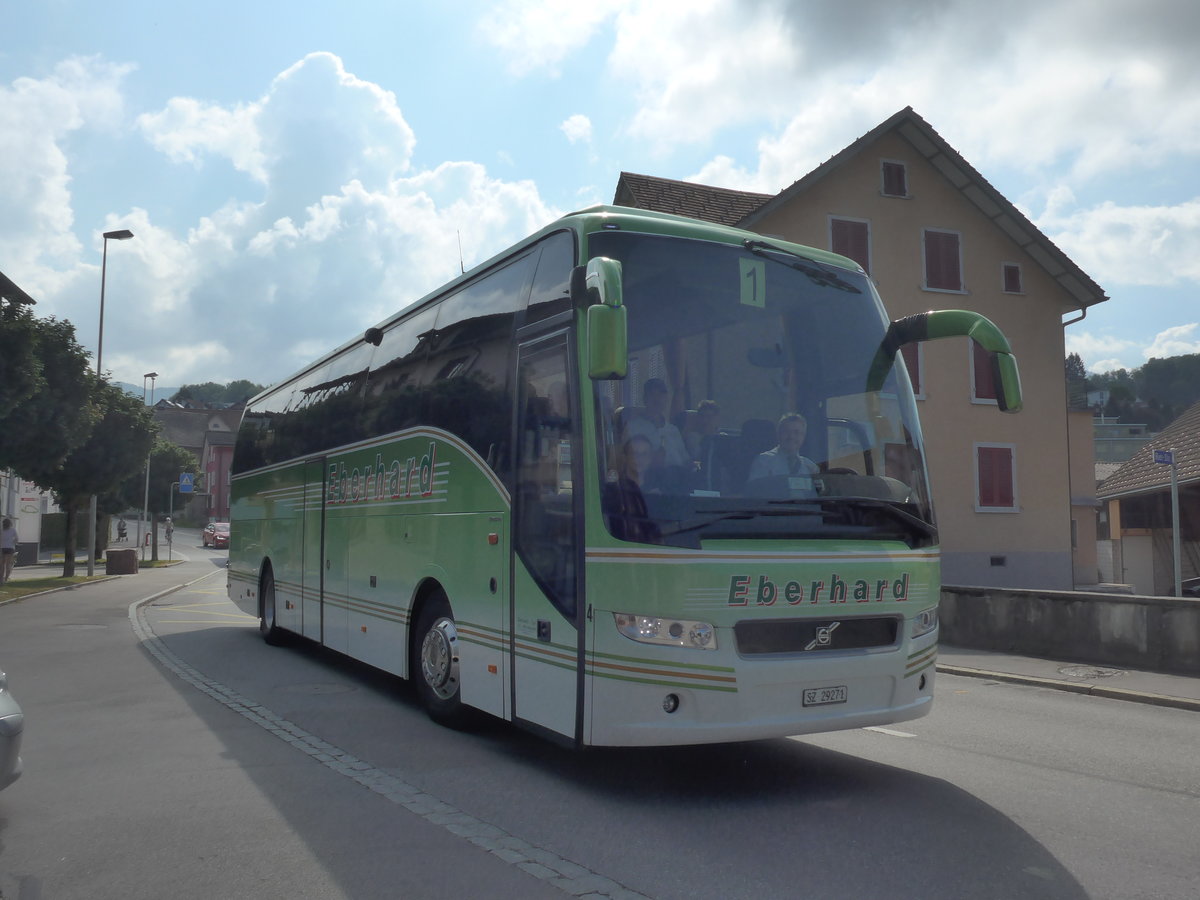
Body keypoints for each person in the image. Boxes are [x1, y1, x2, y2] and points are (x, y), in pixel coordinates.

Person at [623, 378, 689, 468]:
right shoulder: (631, 427)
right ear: (644, 399)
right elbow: (626, 461)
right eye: (652, 394)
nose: (657, 399)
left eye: (661, 395)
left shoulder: (673, 430)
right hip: (651, 479)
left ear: (666, 399)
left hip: (679, 478)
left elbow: (685, 460)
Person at [748, 413, 819, 481]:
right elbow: (756, 492)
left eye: (796, 432)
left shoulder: (810, 467)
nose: (791, 436)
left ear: (803, 436)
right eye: (786, 431)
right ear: (778, 434)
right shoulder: (764, 462)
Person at [1, 519, 17, 585]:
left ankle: (1, 578)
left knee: (2, 565)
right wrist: (13, 543)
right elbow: (16, 539)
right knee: (8, 564)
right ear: (10, 523)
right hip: (10, 548)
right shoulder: (13, 530)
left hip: (2, 548)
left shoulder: (2, 530)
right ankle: (6, 579)